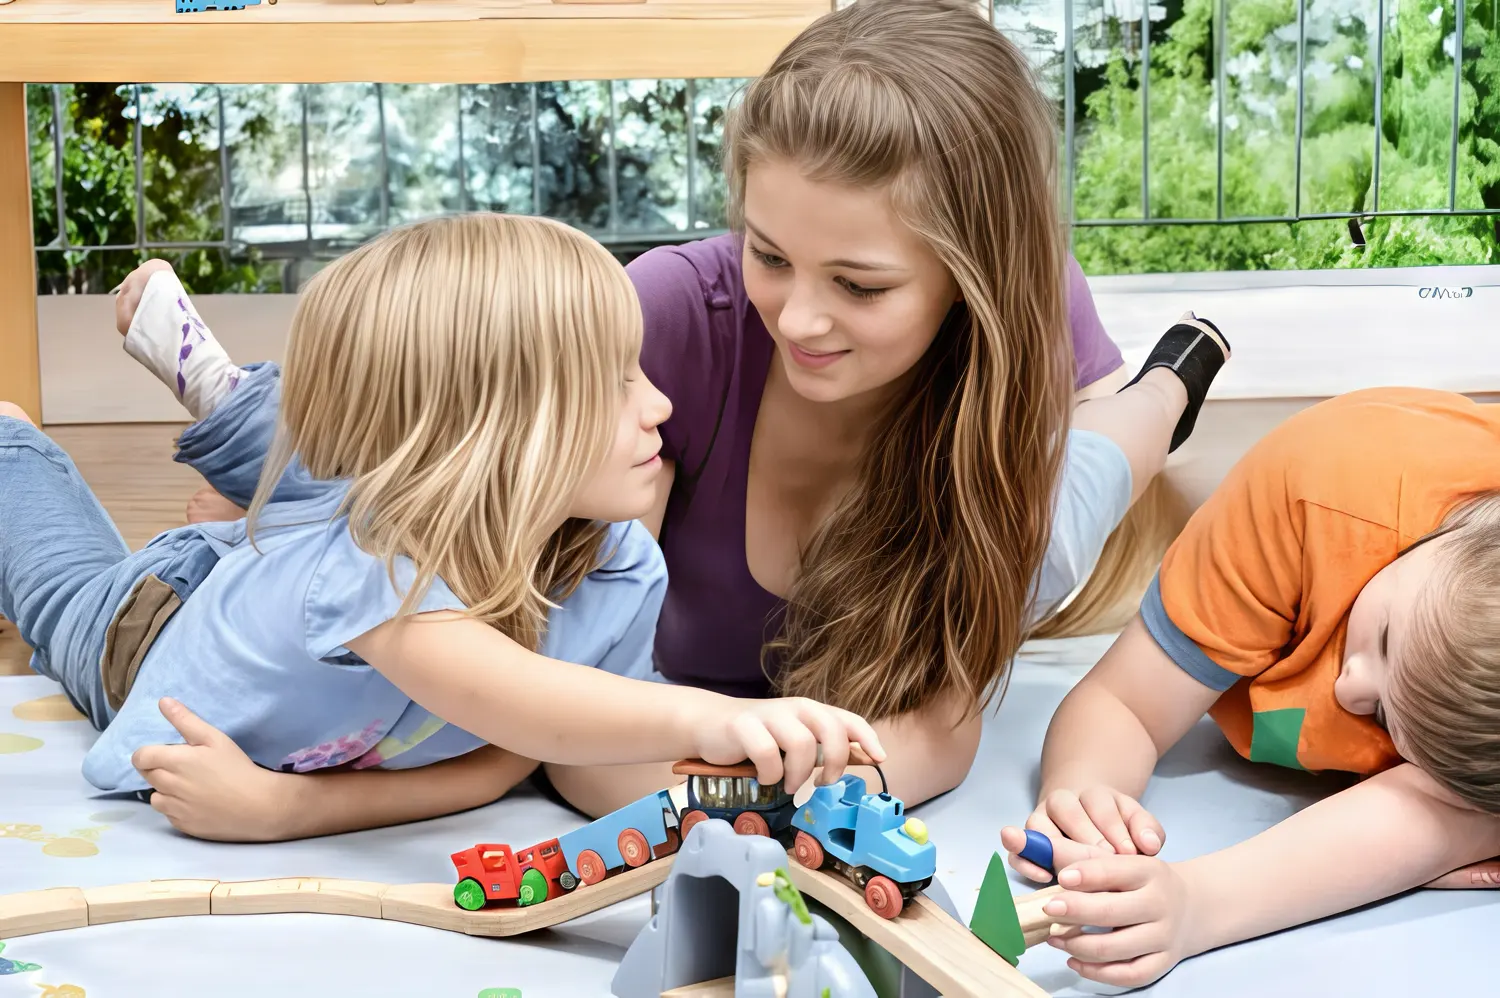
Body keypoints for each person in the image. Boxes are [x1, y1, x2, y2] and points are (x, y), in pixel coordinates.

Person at [140, 0, 1231, 829]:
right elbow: (548, 713)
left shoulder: (1013, 343)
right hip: (446, 491)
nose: (799, 315)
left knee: (1083, 492)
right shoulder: (666, 318)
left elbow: (939, 737)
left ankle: (1169, 378)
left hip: (1028, 418)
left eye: (860, 285)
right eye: (768, 252)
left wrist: (755, 788)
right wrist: (754, 770)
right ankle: (259, 437)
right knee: (356, 476)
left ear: (972, 284)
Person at [0, 213, 884, 843]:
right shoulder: (387, 569)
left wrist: (291, 810)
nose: (660, 405)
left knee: (347, 478)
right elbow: (513, 697)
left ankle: (243, 426)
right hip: (146, 625)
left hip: (359, 535)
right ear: (499, 430)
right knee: (47, 554)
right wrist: (719, 721)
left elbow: (512, 757)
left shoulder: (616, 571)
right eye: (618, 382)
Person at [1001, 387, 1500, 989]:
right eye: (1388, 639)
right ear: (1462, 530)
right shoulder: (1308, 501)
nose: (1348, 688)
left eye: (1389, 721)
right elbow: (1127, 702)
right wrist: (1086, 797)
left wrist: (1195, 905)